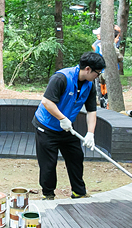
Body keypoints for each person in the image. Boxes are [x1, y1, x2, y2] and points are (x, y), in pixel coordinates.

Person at [34, 51, 105, 200]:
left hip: (66, 128)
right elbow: (47, 102)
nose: (98, 76)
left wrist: (90, 133)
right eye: (97, 73)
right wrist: (62, 118)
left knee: (76, 157)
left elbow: (91, 111)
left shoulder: (90, 85)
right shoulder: (61, 78)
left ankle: (79, 192)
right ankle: (48, 195)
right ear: (88, 69)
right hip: (46, 127)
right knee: (48, 164)